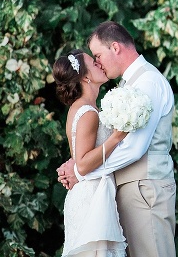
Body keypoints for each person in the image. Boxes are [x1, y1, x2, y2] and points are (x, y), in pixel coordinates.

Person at [57, 21, 176, 257]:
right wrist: (81, 165)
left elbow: (134, 148)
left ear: (116, 48)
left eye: (98, 54)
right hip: (127, 189)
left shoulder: (147, 82)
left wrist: (81, 171)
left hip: (145, 187)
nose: (98, 61)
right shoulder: (128, 85)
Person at [53, 49, 128, 257]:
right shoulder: (87, 112)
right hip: (90, 199)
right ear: (85, 77)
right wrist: (117, 137)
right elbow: (84, 165)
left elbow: (79, 158)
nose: (99, 63)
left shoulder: (84, 108)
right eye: (93, 63)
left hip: (92, 194)